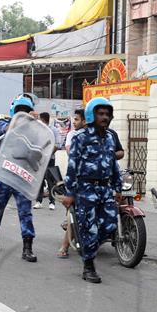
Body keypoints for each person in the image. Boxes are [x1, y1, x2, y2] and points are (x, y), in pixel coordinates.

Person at [62, 97, 122, 283]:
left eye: (107, 114)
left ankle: (88, 248)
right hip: (85, 189)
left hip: (105, 189)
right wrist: (70, 192)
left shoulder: (110, 137)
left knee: (110, 225)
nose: (104, 117)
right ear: (92, 115)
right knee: (90, 228)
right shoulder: (81, 137)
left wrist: (118, 186)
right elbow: (72, 165)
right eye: (100, 113)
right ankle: (89, 266)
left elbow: (113, 164)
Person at [0, 95, 38, 262]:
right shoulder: (3, 123)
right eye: (19, 111)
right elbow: (7, 129)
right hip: (4, 174)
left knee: (25, 212)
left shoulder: (34, 129)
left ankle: (27, 246)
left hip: (22, 174)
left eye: (26, 111)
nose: (22, 114)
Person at [57, 108, 87, 259]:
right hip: (79, 180)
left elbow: (119, 152)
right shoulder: (73, 135)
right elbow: (70, 152)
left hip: (101, 183)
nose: (74, 122)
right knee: (75, 216)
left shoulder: (108, 135)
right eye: (74, 119)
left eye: (76, 119)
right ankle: (65, 245)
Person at [34, 112, 62, 210]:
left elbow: (57, 144)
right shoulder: (39, 130)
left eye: (40, 120)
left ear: (43, 120)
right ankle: (38, 201)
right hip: (39, 160)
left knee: (50, 180)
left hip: (50, 159)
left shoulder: (53, 130)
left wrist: (47, 154)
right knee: (39, 180)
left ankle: (52, 202)